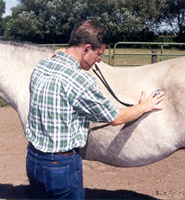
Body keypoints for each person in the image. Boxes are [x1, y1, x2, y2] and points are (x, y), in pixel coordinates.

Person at [25, 20, 165, 199]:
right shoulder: (80, 80)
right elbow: (116, 117)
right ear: (86, 49)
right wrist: (143, 106)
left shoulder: (41, 66)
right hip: (61, 166)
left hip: (33, 160)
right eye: (98, 54)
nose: (99, 60)